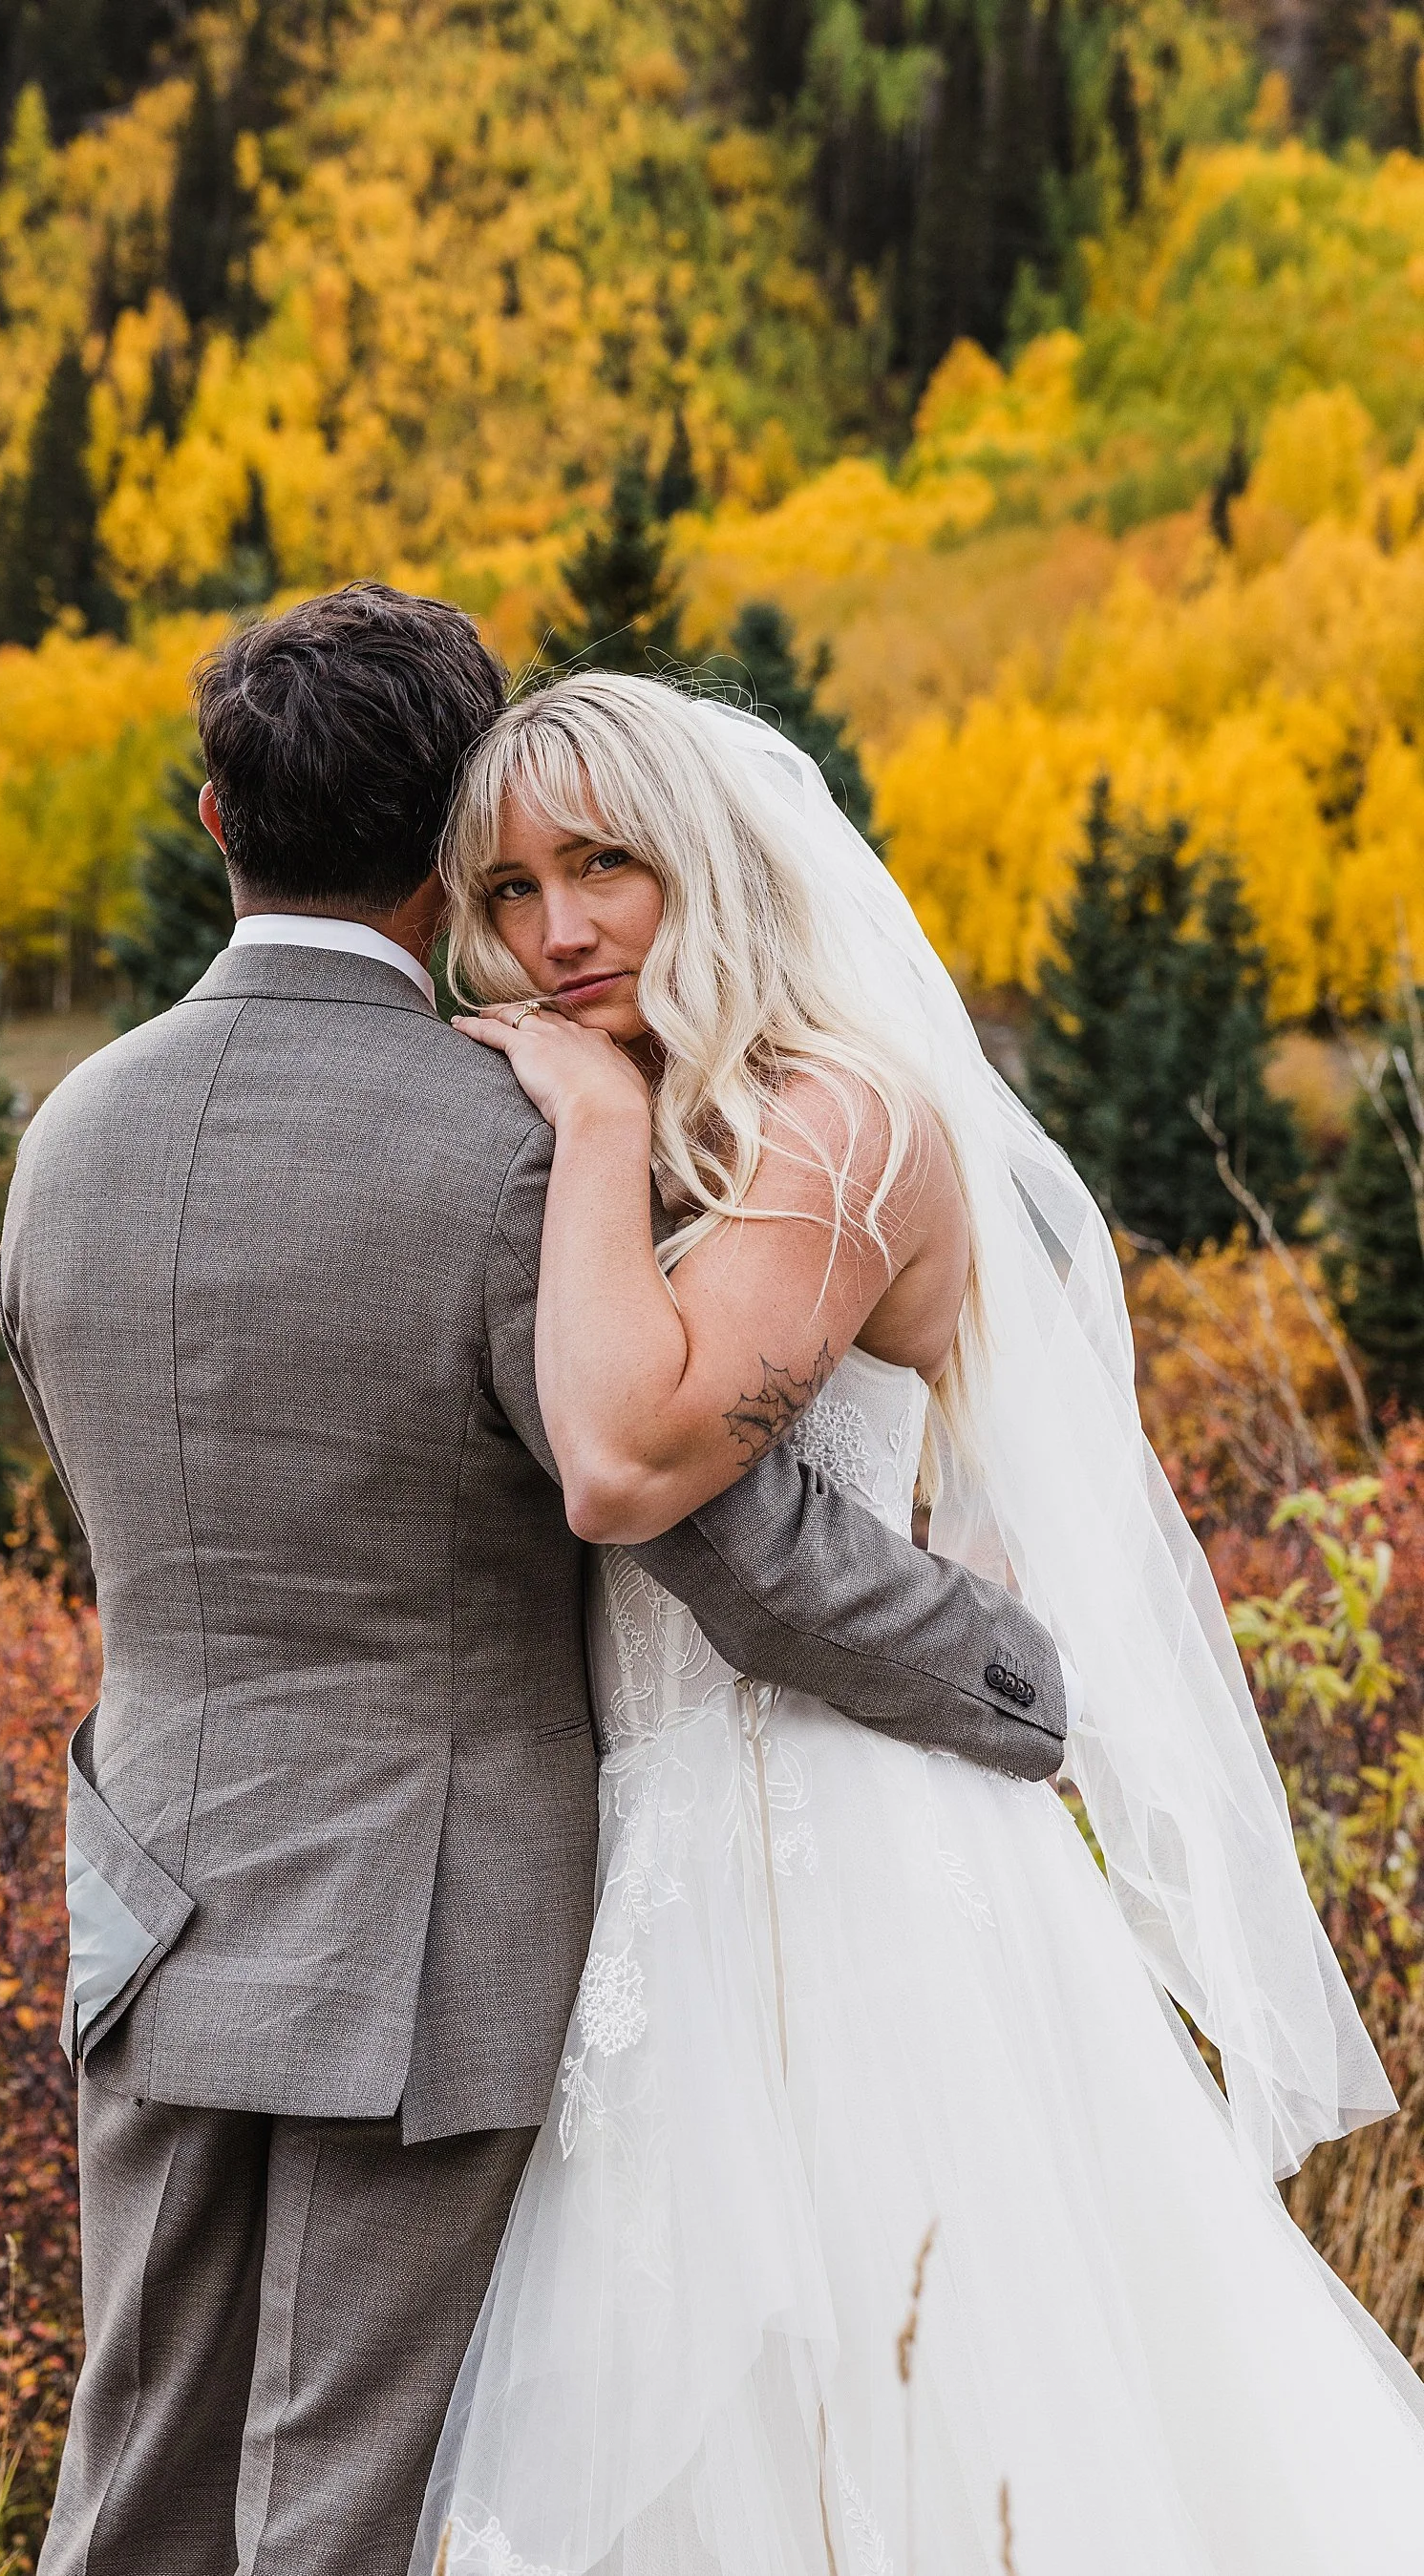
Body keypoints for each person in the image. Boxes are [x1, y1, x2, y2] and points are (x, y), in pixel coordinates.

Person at [0, 586, 1072, 2576]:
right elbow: (725, 1534)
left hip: (144, 1887)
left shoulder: (67, 1133)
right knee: (344, 2490)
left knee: (135, 2479)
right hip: (435, 1927)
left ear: (216, 823)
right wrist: (1017, 1679)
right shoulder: (515, 1141)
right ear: (448, 854)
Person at [412, 671, 1424, 2576]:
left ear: (703, 862)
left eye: (605, 864)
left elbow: (629, 1461)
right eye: (509, 887)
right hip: (644, 1863)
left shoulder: (843, 1120)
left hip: (858, 1866)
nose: (553, 932)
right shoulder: (649, 1119)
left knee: (945, 2413)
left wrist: (589, 1118)